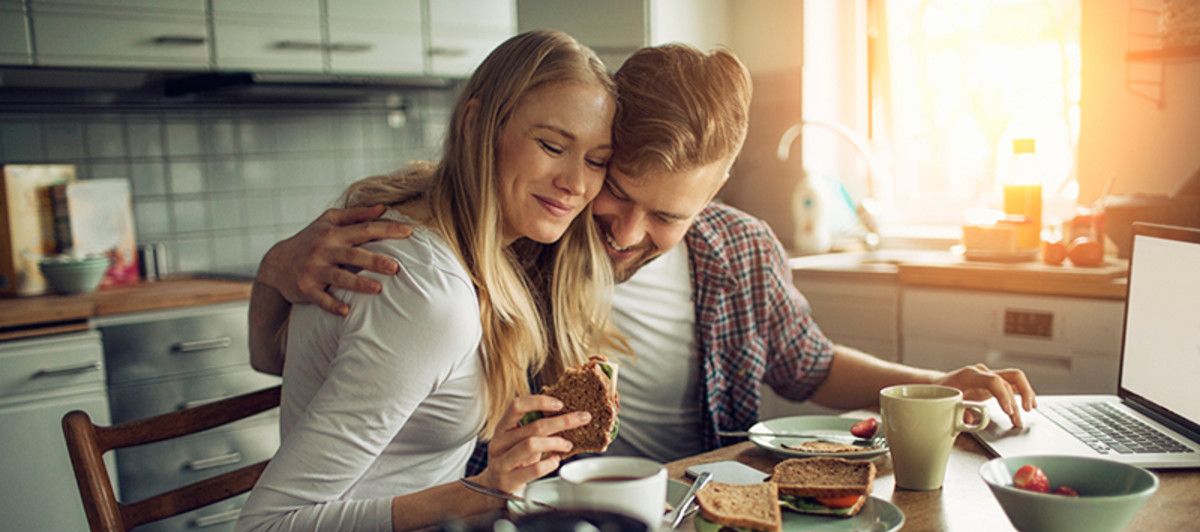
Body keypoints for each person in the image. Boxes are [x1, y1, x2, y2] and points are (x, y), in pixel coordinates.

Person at [248, 42, 1036, 469]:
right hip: (522, 519)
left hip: (689, 513)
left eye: (666, 216)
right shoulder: (515, 237)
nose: (624, 231)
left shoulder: (737, 251)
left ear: (715, 194)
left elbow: (810, 366)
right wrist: (277, 268)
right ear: (599, 150)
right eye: (615, 189)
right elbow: (311, 370)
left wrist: (933, 383)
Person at [231, 30, 619, 532]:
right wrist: (482, 491)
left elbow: (277, 361)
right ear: (477, 124)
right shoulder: (424, 293)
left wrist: (274, 271)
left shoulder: (446, 235)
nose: (576, 182)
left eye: (597, 160)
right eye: (552, 147)